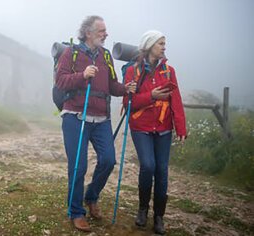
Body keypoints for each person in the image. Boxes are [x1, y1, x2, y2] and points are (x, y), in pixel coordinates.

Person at [56, 15, 136, 232]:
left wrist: (125, 88)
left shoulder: (105, 55)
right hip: (75, 116)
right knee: (78, 166)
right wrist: (82, 75)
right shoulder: (71, 53)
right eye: (101, 31)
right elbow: (60, 81)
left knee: (109, 160)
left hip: (101, 119)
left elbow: (111, 85)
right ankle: (76, 212)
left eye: (105, 31)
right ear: (88, 32)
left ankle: (91, 197)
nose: (105, 34)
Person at [122, 30, 187, 235]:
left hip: (163, 128)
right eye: (160, 43)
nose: (164, 47)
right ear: (150, 45)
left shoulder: (169, 71)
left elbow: (175, 100)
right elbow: (128, 103)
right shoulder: (133, 71)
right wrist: (151, 95)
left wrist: (181, 127)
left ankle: (159, 216)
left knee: (162, 171)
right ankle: (143, 209)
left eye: (164, 43)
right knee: (148, 166)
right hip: (140, 127)